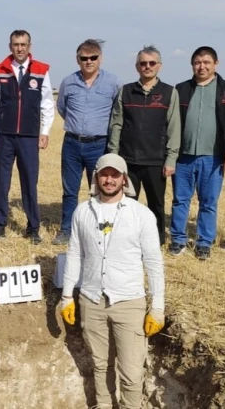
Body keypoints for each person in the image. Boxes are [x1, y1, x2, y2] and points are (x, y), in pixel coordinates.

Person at [59, 153, 165, 409]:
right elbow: (74, 254)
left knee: (131, 373)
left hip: (129, 303)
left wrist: (158, 306)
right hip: (92, 300)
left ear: (124, 179)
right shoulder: (83, 211)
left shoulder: (142, 215)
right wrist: (66, 296)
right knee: (100, 365)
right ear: (96, 177)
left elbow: (153, 262)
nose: (109, 180)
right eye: (104, 174)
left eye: (115, 175)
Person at [168, 46, 225, 259]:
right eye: (197, 62)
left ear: (215, 64)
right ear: (192, 65)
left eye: (206, 62)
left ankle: (204, 242)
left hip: (214, 157)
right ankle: (178, 239)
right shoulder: (181, 89)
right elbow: (172, 123)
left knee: (209, 201)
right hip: (184, 156)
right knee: (180, 199)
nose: (202, 66)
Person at [0, 30, 54, 244]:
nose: (20, 48)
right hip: (4, 136)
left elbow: (47, 104)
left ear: (30, 46)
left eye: (24, 44)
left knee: (29, 182)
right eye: (16, 44)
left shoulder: (41, 71)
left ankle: (33, 228)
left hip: (29, 137)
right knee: (1, 182)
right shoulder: (2, 70)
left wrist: (44, 132)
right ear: (10, 46)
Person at [108, 45, 180, 246]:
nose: (147, 67)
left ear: (159, 66)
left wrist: (171, 158)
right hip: (128, 159)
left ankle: (156, 241)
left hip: (156, 161)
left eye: (152, 63)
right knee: (127, 203)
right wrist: (114, 156)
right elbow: (117, 124)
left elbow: (174, 128)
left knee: (156, 204)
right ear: (137, 66)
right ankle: (126, 241)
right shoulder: (126, 91)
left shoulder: (169, 93)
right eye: (143, 63)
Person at [52, 39, 122, 245]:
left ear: (100, 58)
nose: (88, 61)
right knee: (70, 190)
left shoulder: (113, 82)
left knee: (101, 190)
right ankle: (67, 230)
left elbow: (118, 112)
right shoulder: (68, 82)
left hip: (99, 145)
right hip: (72, 143)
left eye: (93, 58)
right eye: (84, 58)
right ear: (78, 60)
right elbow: (62, 108)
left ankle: (99, 230)